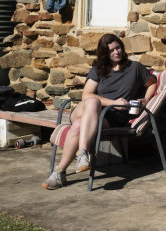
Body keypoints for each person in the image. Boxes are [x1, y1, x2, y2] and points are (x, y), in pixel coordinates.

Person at [42, 33, 156, 189]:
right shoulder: (99, 69)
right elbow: (86, 95)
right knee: (93, 101)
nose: (116, 52)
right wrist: (114, 102)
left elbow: (152, 83)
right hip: (85, 110)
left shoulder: (135, 68)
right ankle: (83, 153)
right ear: (105, 54)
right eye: (111, 50)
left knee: (77, 127)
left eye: (118, 48)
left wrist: (147, 99)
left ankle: (59, 172)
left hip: (107, 119)